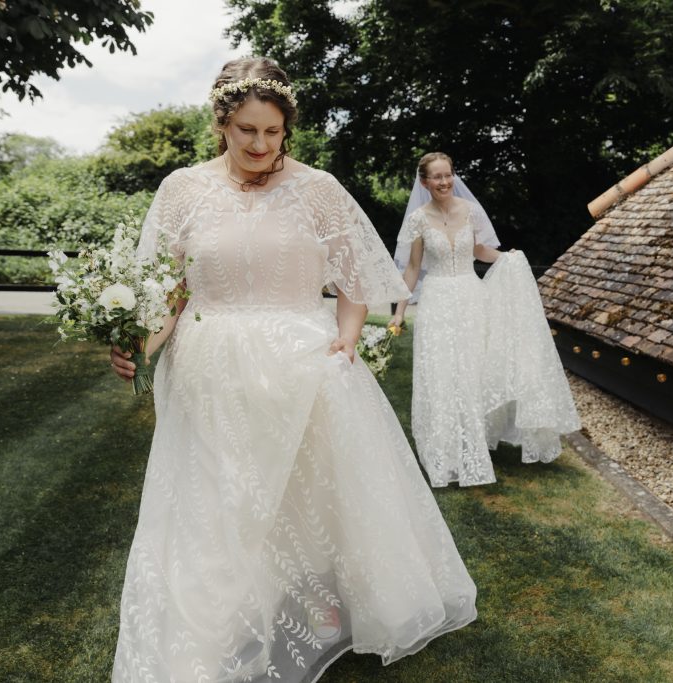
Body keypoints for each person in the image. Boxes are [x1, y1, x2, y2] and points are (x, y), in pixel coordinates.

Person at [108, 58, 476, 683]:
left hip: (306, 364)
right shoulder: (182, 189)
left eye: (272, 132)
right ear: (221, 123)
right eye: (246, 130)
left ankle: (320, 600)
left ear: (287, 130)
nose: (259, 145)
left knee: (309, 493)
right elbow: (167, 291)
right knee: (223, 497)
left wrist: (348, 340)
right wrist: (136, 349)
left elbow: (356, 282)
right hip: (209, 367)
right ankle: (224, 621)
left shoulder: (319, 188)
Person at [389, 153, 580, 487]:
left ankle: (473, 444)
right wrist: (399, 312)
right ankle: (445, 454)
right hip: (437, 303)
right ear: (424, 182)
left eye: (448, 175)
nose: (444, 182)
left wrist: (508, 259)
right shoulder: (418, 219)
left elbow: (479, 252)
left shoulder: (469, 210)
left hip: (470, 298)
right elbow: (413, 268)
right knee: (443, 375)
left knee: (473, 373)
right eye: (436, 177)